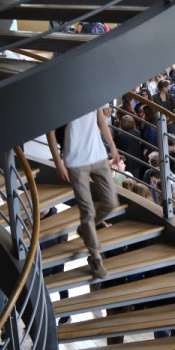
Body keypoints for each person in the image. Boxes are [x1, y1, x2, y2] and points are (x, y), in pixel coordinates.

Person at [46, 108, 121, 279]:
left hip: (98, 155)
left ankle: (85, 229)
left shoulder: (90, 94)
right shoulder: (60, 100)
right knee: (87, 210)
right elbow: (50, 131)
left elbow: (100, 120)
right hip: (75, 160)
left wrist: (112, 146)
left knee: (111, 202)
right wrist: (58, 162)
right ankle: (95, 256)